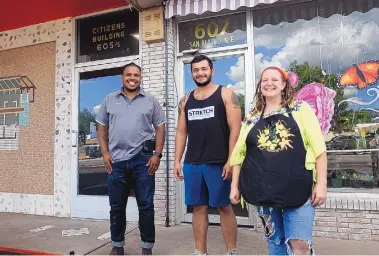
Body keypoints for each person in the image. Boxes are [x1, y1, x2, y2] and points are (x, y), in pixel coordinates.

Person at [229, 66, 327, 255]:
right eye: (265, 80)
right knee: (275, 241)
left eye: (275, 80)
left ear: (283, 85)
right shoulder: (251, 117)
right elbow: (238, 154)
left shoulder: (300, 109)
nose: (269, 83)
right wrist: (235, 186)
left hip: (298, 188)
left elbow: (319, 150)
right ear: (260, 86)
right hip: (262, 191)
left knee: (300, 244)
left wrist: (321, 183)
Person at [174, 55, 242, 255]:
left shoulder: (227, 94)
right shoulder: (185, 101)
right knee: (198, 208)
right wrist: (177, 160)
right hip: (193, 162)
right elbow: (181, 132)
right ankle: (200, 252)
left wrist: (231, 160)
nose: (200, 73)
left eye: (204, 69)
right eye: (195, 70)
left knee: (224, 207)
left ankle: (231, 252)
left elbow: (235, 129)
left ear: (212, 71)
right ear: (191, 73)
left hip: (219, 162)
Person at [96, 62, 166, 255]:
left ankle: (147, 247)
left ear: (140, 78)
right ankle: (117, 246)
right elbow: (102, 128)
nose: (132, 78)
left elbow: (160, 127)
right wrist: (104, 153)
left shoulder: (151, 101)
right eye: (128, 75)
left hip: (143, 161)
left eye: (136, 75)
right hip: (116, 161)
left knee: (146, 206)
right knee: (117, 207)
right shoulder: (109, 100)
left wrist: (157, 154)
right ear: (122, 77)